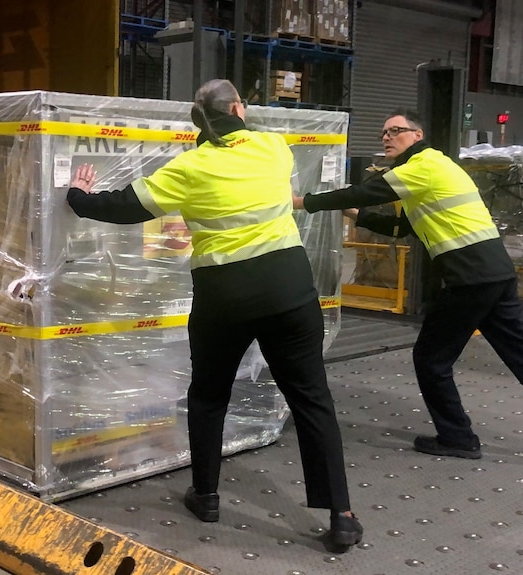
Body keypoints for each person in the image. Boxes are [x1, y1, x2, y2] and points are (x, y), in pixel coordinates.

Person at [66, 79, 362, 551]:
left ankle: (206, 495)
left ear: (196, 123)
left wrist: (79, 196)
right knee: (311, 398)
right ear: (238, 108)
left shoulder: (189, 167)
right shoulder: (274, 147)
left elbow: (124, 207)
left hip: (225, 298)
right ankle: (341, 514)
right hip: (289, 291)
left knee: (208, 395)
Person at [294, 108, 523, 460]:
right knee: (518, 352)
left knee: (431, 359)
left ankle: (458, 437)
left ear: (417, 135)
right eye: (383, 133)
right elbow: (404, 229)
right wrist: (353, 214)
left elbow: (367, 191)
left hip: (469, 277)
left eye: (395, 131)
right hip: (495, 273)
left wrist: (304, 202)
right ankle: (458, 434)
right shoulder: (431, 170)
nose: (387, 137)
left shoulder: (423, 166)